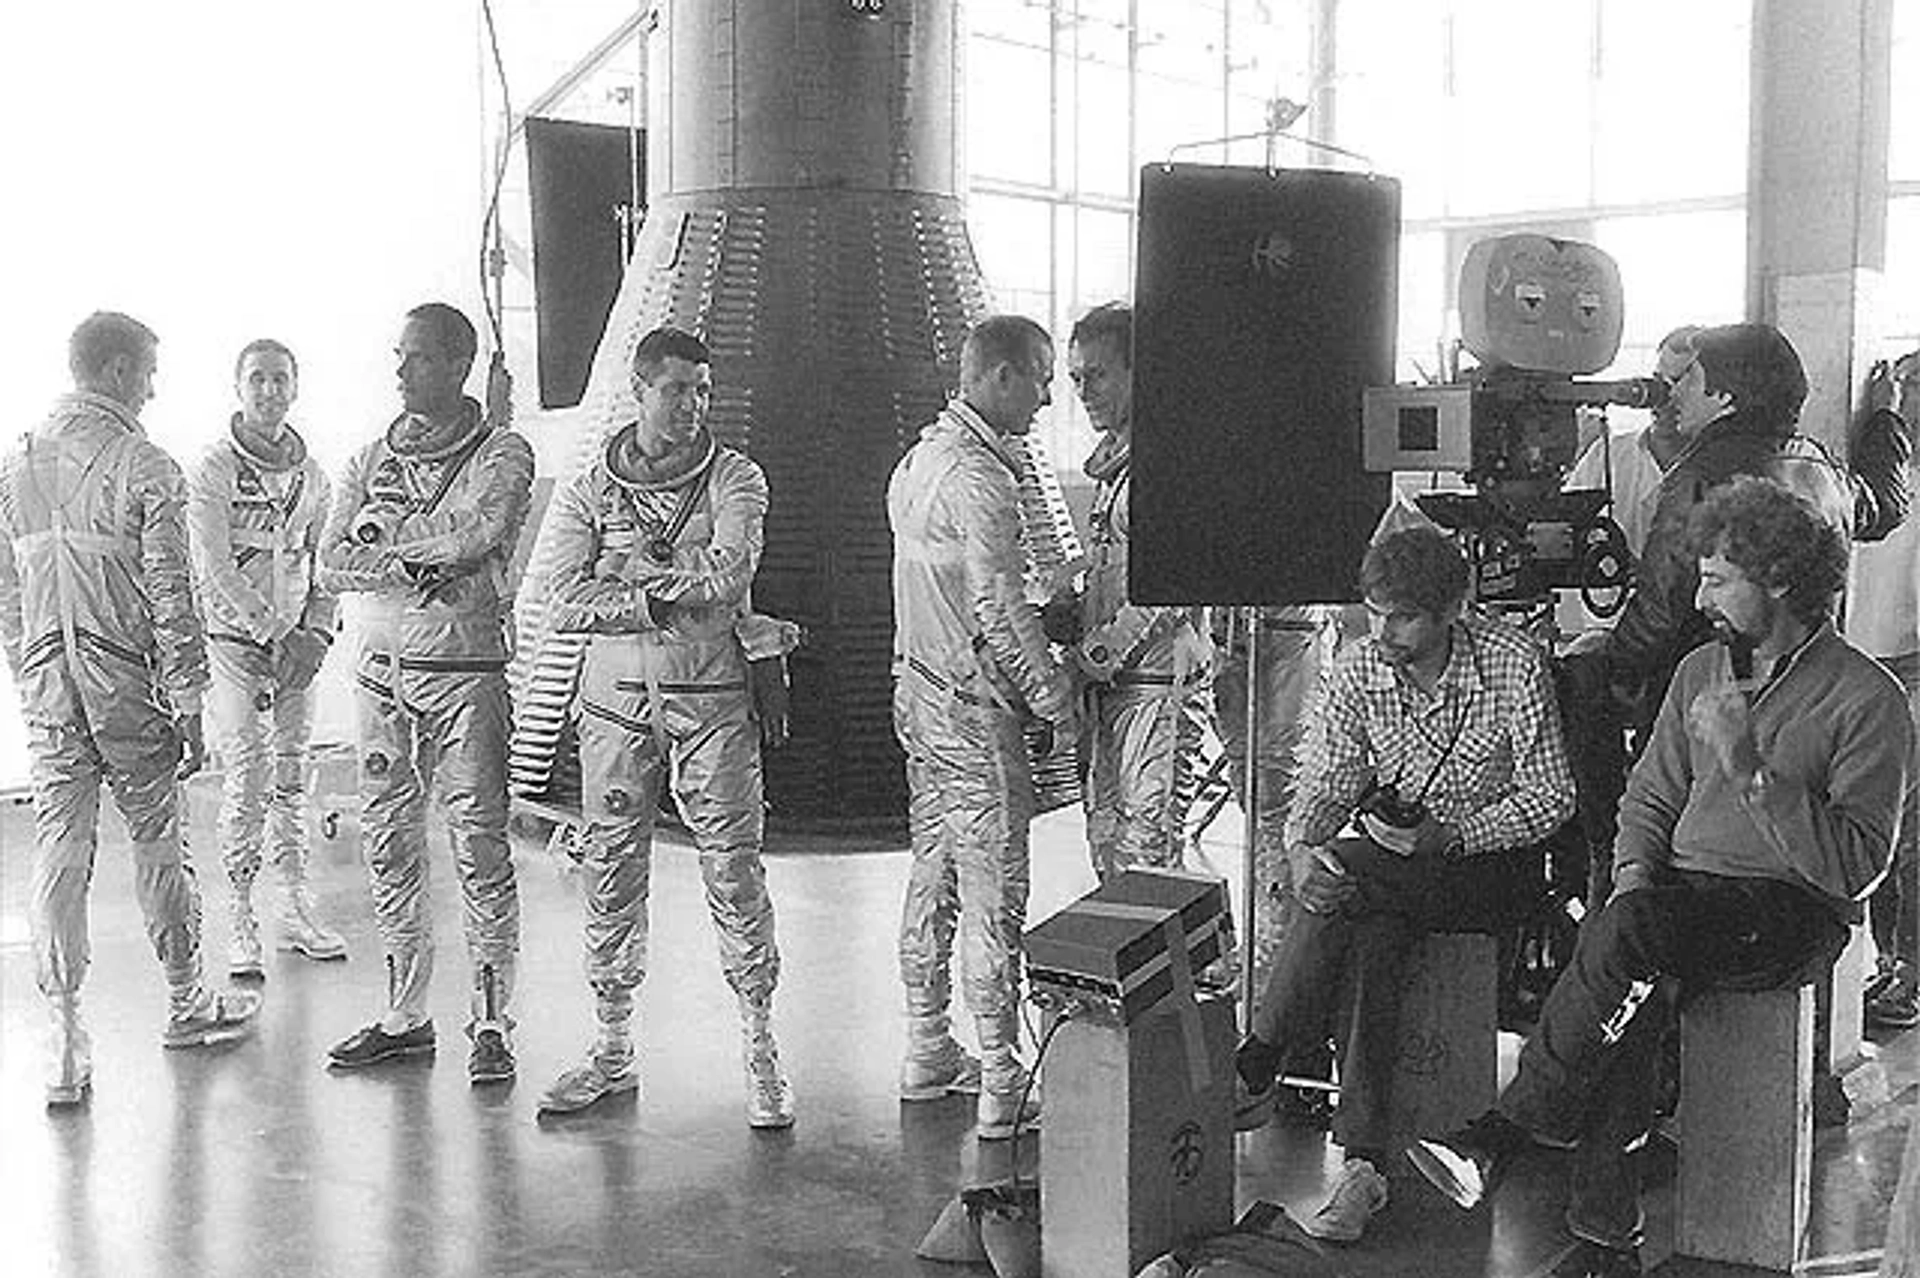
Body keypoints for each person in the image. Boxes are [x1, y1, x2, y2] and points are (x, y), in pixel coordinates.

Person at [1409, 476, 1914, 1278]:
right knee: (1627, 955)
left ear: (1779, 579)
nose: (1702, 597)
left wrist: (1752, 771)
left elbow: (1854, 868)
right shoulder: (1700, 671)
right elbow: (1648, 795)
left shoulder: (1867, 698)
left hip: (1785, 912)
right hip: (1679, 898)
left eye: (1718, 580)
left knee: (1633, 944)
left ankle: (1505, 1135)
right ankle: (1603, 1236)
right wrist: (1634, 877)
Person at [1232, 525, 1576, 1244]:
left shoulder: (1513, 663)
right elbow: (1327, 782)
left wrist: (1450, 836)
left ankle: (1260, 1056)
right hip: (1391, 873)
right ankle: (1362, 1168)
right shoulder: (1358, 668)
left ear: (1453, 610)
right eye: (1373, 611)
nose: (1382, 630)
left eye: (1402, 617)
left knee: (1355, 871)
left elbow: (1552, 798)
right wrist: (1301, 851)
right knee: (1370, 926)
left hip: (1491, 865)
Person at [532, 326, 796, 1128]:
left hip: (712, 704)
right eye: (676, 389)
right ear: (639, 392)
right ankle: (611, 1047)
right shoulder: (589, 491)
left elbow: (729, 576)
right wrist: (647, 599)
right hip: (614, 707)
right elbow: (556, 599)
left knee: (735, 873)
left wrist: (627, 576)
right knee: (610, 873)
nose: (691, 404)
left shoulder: (736, 478)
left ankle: (761, 1052)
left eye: (702, 390)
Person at [0, 311, 261, 1108]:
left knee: (59, 847)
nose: (153, 385)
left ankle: (66, 1039)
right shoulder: (145, 465)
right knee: (159, 838)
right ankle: (185, 1000)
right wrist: (187, 697)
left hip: (50, 685)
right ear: (115, 371)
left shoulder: (14, 464)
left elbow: (7, 593)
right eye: (148, 370)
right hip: (127, 687)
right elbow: (171, 595)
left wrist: (28, 667)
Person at [319, 302, 532, 1085]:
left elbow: (480, 535)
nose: (400, 370)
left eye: (416, 358)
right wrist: (421, 557)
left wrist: (393, 546)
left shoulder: (501, 451)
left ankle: (491, 1018)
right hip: (381, 674)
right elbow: (329, 562)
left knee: (478, 845)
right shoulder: (369, 456)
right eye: (398, 356)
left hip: (465, 674)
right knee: (388, 840)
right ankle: (405, 1014)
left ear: (457, 366)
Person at [890, 314, 1077, 1140]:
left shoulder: (918, 461)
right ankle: (1002, 1078)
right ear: (999, 376)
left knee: (932, 873)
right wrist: (1054, 697)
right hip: (972, 710)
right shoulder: (980, 478)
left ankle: (929, 1047)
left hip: (920, 697)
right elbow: (998, 607)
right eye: (1038, 376)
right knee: (996, 894)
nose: (1046, 396)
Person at [186, 338, 346, 979]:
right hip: (237, 647)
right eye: (258, 379)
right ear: (238, 386)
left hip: (296, 651)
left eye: (281, 379)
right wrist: (271, 631)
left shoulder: (315, 478)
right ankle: (242, 919)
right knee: (247, 777)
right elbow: (212, 564)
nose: (270, 390)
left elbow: (328, 563)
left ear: (296, 387)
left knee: (291, 775)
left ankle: (294, 906)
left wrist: (316, 636)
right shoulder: (214, 469)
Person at [1058, 302, 1211, 880]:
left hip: (1155, 685)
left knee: (1148, 850)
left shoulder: (1170, 464)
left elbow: (1170, 581)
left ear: (1139, 372)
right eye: (1075, 378)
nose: (1082, 390)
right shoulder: (1115, 467)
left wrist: (1093, 655)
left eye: (1095, 375)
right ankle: (1139, 971)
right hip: (1111, 685)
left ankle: (1181, 972)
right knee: (1107, 841)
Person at [1851, 349, 1920, 1030]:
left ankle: (1909, 969)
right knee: (1871, 829)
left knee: (1909, 835)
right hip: (1858, 662)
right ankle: (1888, 963)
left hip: (1909, 666)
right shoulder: (1880, 477)